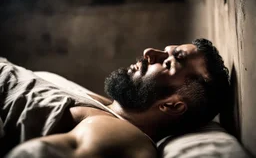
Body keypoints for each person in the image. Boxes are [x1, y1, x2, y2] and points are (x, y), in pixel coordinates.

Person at [2, 38, 229, 158]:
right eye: (164, 51)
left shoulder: (119, 133)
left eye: (169, 62)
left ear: (171, 104)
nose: (149, 53)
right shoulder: (107, 108)